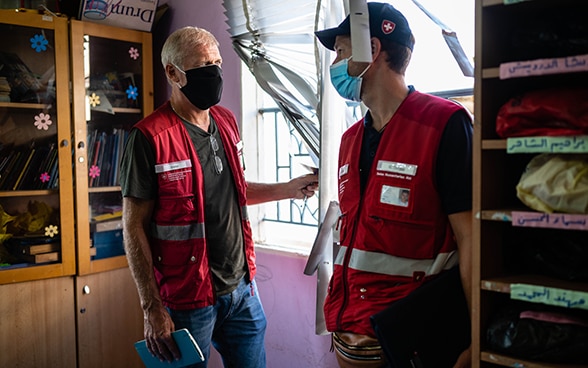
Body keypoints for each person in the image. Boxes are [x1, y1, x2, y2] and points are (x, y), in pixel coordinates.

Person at [119, 26, 318, 368]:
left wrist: (287, 189)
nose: (213, 72)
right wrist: (151, 306)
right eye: (202, 65)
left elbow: (233, 191)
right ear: (173, 73)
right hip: (186, 299)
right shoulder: (149, 137)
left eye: (217, 63)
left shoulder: (226, 121)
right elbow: (132, 226)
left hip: (241, 289)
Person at [315, 3, 473, 367]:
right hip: (351, 333)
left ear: (371, 50)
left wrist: (476, 336)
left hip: (413, 341)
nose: (334, 65)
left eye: (339, 52)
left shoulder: (444, 125)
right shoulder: (351, 140)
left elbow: (471, 240)